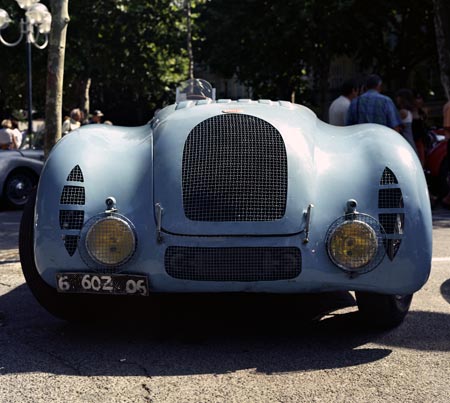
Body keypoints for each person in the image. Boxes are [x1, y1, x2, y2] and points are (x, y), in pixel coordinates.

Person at [395, 88, 418, 153]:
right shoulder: (409, 111)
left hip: (405, 141)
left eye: (398, 97)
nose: (397, 99)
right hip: (410, 140)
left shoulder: (402, 112)